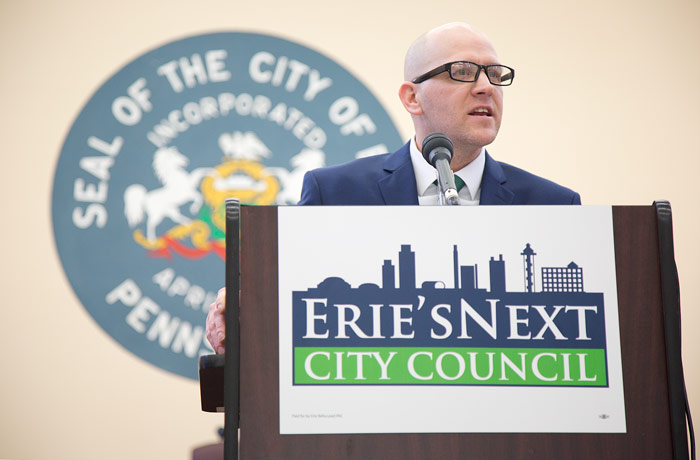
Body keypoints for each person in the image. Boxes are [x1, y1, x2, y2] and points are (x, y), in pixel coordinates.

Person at [205, 22, 580, 353]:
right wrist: (239, 301)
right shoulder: (335, 194)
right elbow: (279, 296)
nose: (486, 87)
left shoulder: (553, 208)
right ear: (412, 97)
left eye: (495, 74)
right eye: (462, 71)